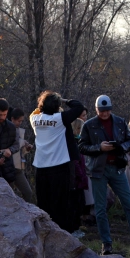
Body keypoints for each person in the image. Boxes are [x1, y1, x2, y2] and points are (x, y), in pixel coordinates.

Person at [79, 95, 130, 254]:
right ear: (96, 110)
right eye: (101, 111)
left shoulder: (120, 122)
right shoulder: (89, 125)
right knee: (100, 209)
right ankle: (106, 243)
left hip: (117, 168)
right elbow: (82, 146)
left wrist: (120, 147)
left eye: (107, 110)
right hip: (99, 169)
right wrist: (99, 148)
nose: (104, 114)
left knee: (129, 205)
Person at [30, 91, 86, 233]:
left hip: (41, 166)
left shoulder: (34, 118)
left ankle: (43, 230)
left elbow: (37, 110)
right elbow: (79, 107)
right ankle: (60, 231)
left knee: (44, 202)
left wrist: (45, 102)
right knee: (60, 202)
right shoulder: (60, 118)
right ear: (57, 106)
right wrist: (64, 100)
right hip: (59, 166)